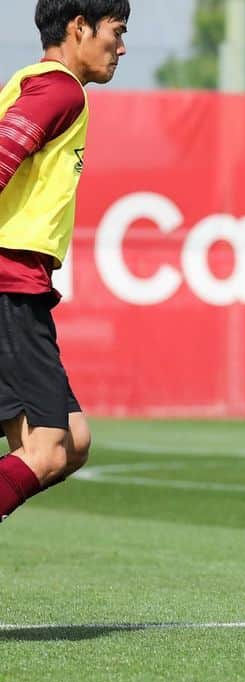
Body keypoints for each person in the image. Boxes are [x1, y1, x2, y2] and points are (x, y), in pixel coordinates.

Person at [0, 1, 129, 524]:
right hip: (10, 284)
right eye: (116, 32)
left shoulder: (38, 84)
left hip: (17, 285)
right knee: (50, 448)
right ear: (80, 28)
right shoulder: (60, 88)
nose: (121, 47)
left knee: (71, 441)